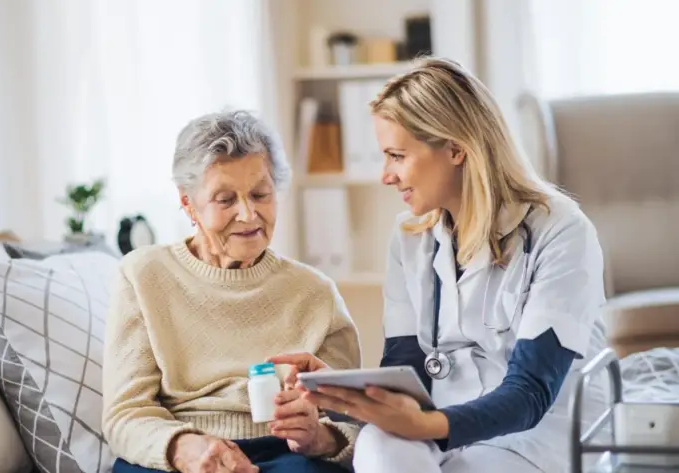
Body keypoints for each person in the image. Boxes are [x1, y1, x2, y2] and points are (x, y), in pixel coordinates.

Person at [269, 57, 609, 473]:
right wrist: (344, 392)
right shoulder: (410, 237)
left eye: (397, 155)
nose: (386, 176)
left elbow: (530, 393)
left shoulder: (562, 232)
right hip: (436, 428)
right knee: (377, 445)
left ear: (455, 148)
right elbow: (409, 370)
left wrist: (425, 424)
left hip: (531, 438)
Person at [102, 109, 362, 473]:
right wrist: (183, 448)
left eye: (260, 194)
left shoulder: (315, 293)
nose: (248, 214)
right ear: (188, 203)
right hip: (181, 449)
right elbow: (125, 415)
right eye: (225, 200)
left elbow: (354, 424)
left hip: (287, 453)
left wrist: (319, 437)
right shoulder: (143, 276)